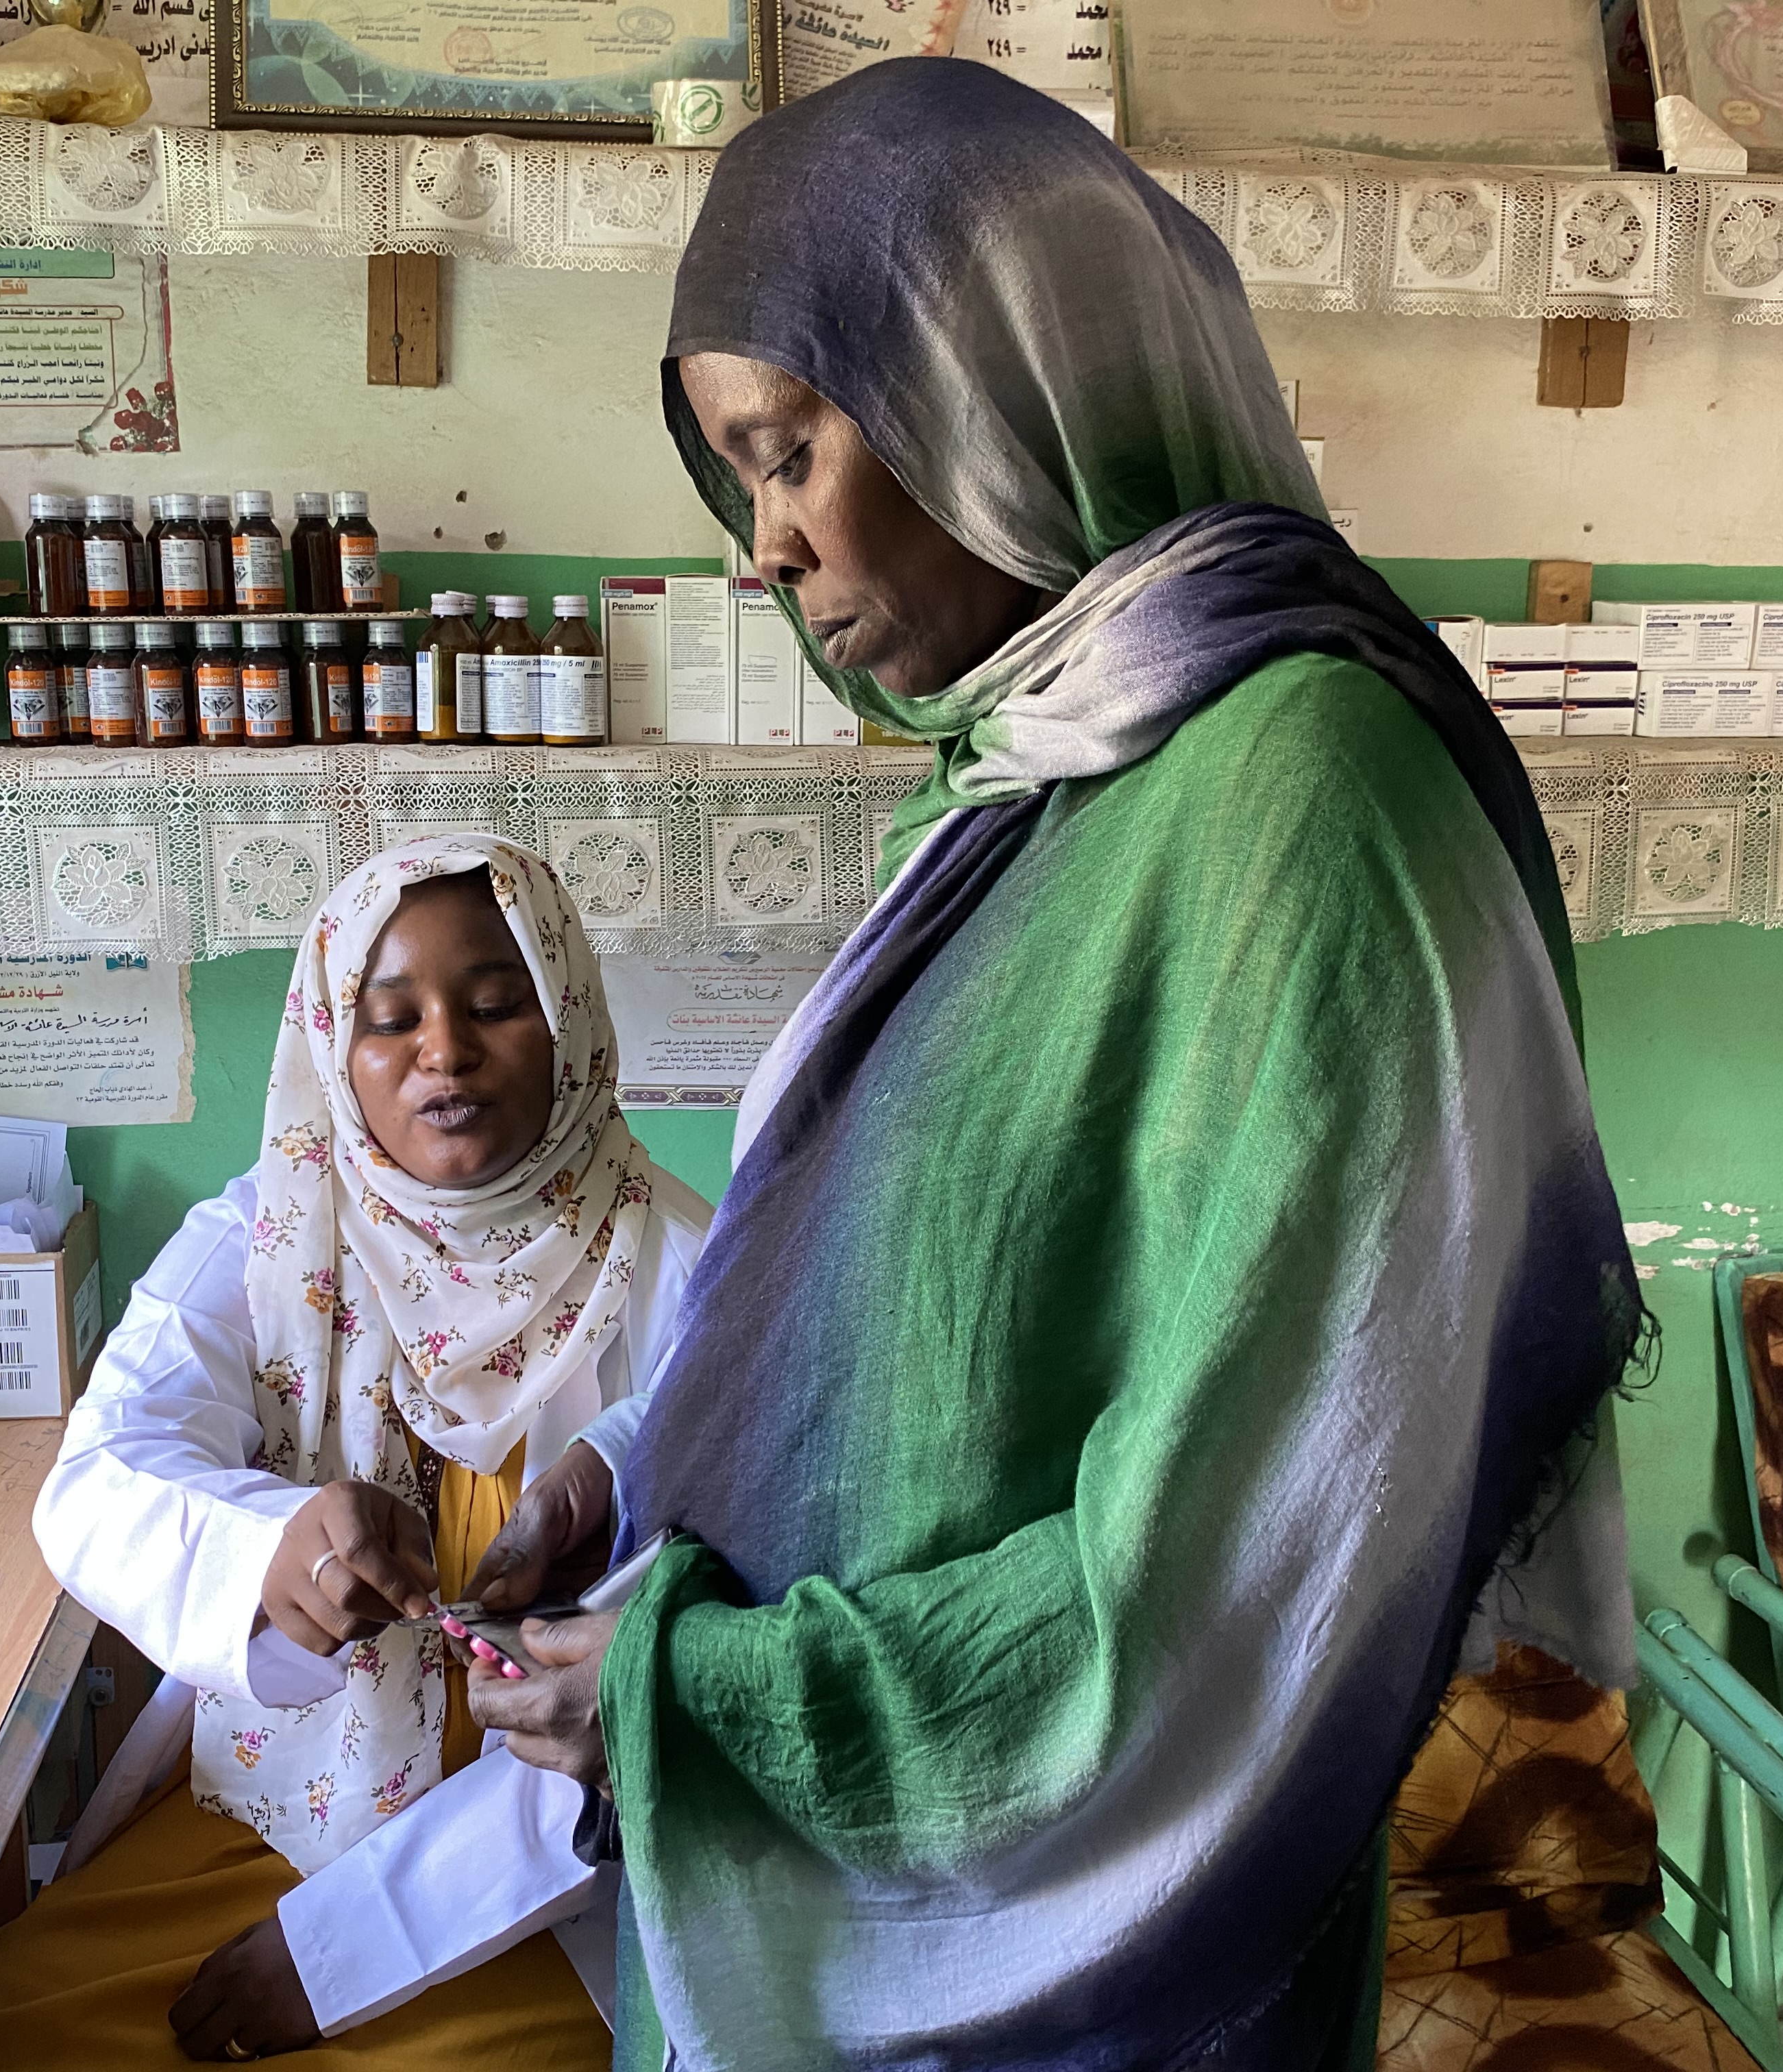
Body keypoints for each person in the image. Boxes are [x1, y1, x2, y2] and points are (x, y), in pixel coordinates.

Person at [461, 58, 1647, 2072]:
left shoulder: (1310, 804)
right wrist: (637, 1471)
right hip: (878, 1888)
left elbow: (1240, 1581)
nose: (764, 550)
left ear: (996, 392)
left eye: (789, 453)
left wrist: (698, 1698)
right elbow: (919, 1304)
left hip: (1098, 1963)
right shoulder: (1037, 761)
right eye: (737, 480)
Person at [0, 834, 711, 2069]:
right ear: (333, 1053)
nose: (443, 1050)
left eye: (497, 1004)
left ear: (569, 1020)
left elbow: (659, 1684)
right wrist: (267, 1553)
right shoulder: (274, 1232)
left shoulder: (693, 1274)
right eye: (390, 1021)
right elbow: (102, 1474)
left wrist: (341, 1945)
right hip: (286, 1804)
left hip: (542, 1884)